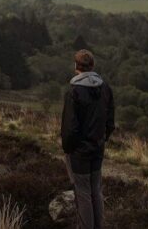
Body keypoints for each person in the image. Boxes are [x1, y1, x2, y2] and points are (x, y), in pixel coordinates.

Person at [61, 49, 115, 229]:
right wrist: (102, 139)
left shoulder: (73, 92)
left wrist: (68, 148)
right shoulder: (105, 87)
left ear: (76, 66)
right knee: (96, 191)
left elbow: (70, 127)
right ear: (93, 66)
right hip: (98, 148)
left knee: (83, 193)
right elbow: (110, 121)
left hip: (79, 152)